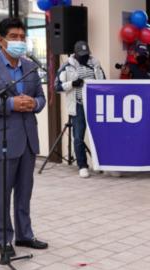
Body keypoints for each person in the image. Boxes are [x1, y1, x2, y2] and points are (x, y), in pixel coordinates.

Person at [0, 18, 48, 256]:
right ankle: (4, 240)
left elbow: (42, 99)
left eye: (23, 37)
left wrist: (33, 103)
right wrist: (11, 103)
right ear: (1, 39)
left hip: (27, 140)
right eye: (14, 37)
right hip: (1, 141)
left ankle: (25, 235)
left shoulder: (30, 68)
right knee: (2, 195)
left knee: (24, 193)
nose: (19, 42)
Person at [55, 41, 105, 178]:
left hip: (95, 105)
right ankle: (82, 166)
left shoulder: (95, 64)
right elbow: (57, 86)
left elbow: (104, 82)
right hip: (78, 105)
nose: (84, 57)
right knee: (78, 137)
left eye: (86, 55)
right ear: (75, 54)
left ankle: (103, 163)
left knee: (100, 136)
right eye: (81, 55)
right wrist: (72, 84)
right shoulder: (66, 66)